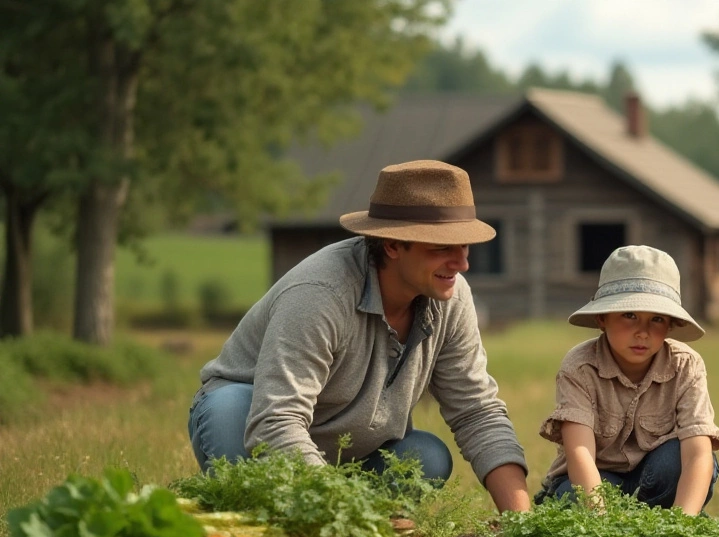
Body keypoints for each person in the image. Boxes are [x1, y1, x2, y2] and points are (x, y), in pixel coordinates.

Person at [188, 160, 531, 512]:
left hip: (352, 448)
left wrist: (524, 525)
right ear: (393, 245)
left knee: (426, 458)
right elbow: (277, 420)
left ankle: (336, 515)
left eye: (465, 246)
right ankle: (283, 517)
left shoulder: (451, 296)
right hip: (255, 419)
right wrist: (345, 514)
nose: (462, 264)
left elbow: (477, 412)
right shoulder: (320, 294)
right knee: (229, 409)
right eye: (442, 248)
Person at [536, 245, 719, 515]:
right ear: (602, 318)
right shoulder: (580, 366)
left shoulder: (686, 364)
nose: (642, 332)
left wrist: (684, 525)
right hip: (594, 481)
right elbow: (579, 451)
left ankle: (666, 524)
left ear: (670, 325)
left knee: (676, 461)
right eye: (629, 315)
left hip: (655, 480)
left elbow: (697, 452)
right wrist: (601, 523)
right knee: (570, 499)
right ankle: (630, 523)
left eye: (657, 319)